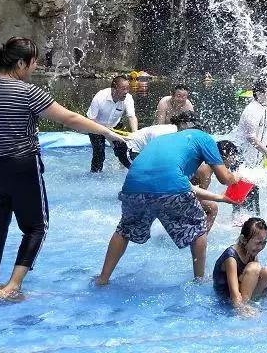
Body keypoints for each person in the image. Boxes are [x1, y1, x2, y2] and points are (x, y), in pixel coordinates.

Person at [0, 37, 125, 301]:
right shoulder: (28, 92)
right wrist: (107, 132)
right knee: (36, 226)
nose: (35, 67)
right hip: (21, 167)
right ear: (21, 63)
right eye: (33, 62)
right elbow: (70, 118)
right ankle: (12, 286)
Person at [96, 112, 238, 285]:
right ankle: (199, 279)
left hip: (133, 186)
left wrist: (220, 198)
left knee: (123, 230)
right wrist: (236, 178)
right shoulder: (205, 138)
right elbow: (224, 178)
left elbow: (185, 186)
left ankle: (103, 279)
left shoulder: (164, 140)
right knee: (199, 227)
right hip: (171, 188)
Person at [232, 80, 267, 224]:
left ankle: (254, 221)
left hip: (254, 158)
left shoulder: (264, 109)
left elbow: (266, 132)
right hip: (241, 156)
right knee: (241, 192)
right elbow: (251, 137)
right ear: (260, 94)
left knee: (254, 190)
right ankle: (237, 221)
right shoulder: (252, 110)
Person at [213, 217, 267, 316]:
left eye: (264, 243)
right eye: (258, 243)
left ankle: (254, 303)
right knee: (254, 268)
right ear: (243, 239)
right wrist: (242, 310)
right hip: (226, 298)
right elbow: (234, 294)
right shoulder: (231, 258)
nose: (260, 247)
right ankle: (245, 306)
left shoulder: (250, 252)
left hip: (243, 293)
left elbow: (257, 276)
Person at [86, 76, 138, 171]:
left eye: (128, 88)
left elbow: (131, 117)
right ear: (114, 89)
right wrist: (105, 132)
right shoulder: (100, 97)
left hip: (114, 125)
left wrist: (135, 133)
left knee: (123, 151)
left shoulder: (128, 98)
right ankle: (95, 175)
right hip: (96, 127)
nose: (126, 92)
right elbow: (91, 120)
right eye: (123, 89)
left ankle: (128, 172)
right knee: (99, 154)